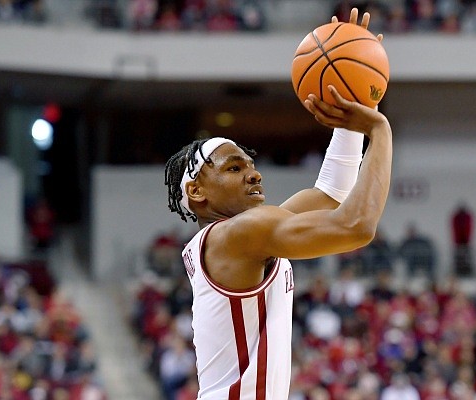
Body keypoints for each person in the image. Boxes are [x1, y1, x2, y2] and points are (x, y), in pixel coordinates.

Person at [162, 8, 392, 399]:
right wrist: (379, 130)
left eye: (252, 165)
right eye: (234, 168)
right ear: (198, 192)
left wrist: (350, 100)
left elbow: (332, 194)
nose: (255, 174)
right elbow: (356, 226)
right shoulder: (239, 234)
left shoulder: (246, 234)